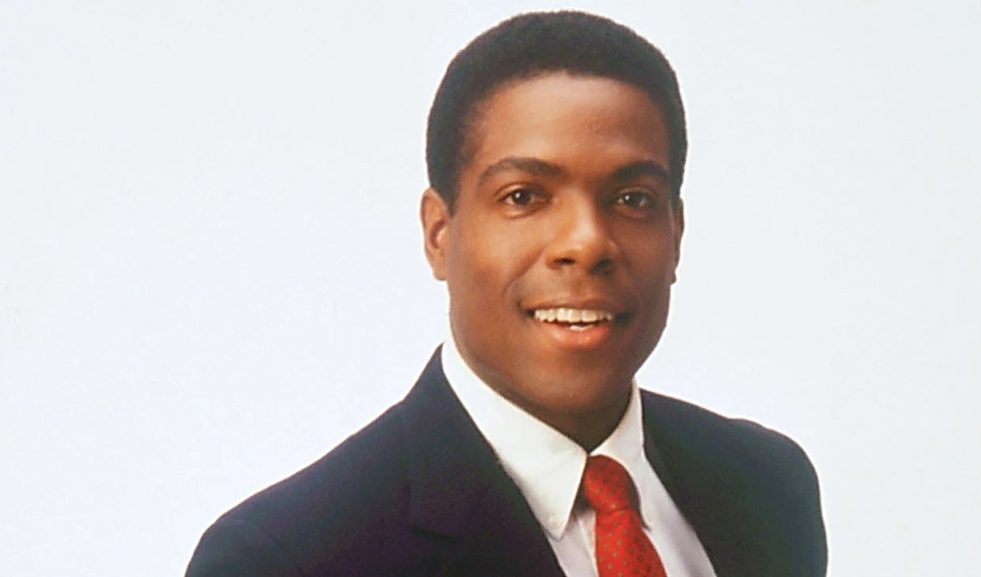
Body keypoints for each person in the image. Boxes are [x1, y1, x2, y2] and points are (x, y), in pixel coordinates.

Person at [185, 11, 827, 577]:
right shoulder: (290, 559)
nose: (587, 243)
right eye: (523, 196)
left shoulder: (766, 486)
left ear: (677, 235)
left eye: (633, 199)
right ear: (439, 234)